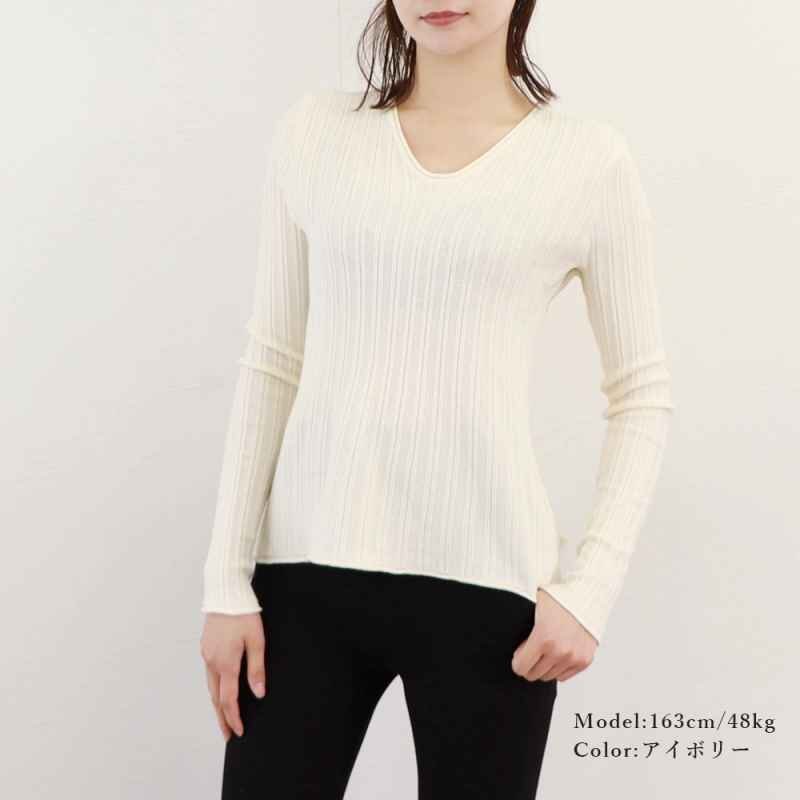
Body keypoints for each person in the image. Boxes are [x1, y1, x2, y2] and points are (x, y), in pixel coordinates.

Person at [199, 1, 675, 797]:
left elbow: (642, 392)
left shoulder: (587, 162)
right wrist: (225, 582)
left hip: (492, 594)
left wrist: (590, 592)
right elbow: (273, 360)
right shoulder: (316, 133)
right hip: (302, 581)